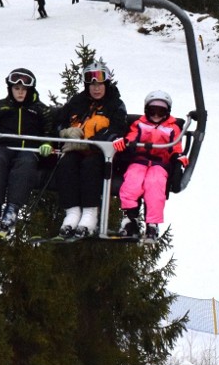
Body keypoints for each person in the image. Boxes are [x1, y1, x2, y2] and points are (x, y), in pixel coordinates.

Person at [56, 62, 128, 238]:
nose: (96, 89)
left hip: (101, 154)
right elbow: (58, 122)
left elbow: (118, 131)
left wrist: (92, 143)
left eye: (100, 84)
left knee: (90, 165)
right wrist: (65, 132)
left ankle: (90, 214)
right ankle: (72, 214)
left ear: (106, 84)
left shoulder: (115, 104)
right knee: (66, 163)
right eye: (92, 85)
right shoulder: (77, 102)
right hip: (74, 150)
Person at [0, 68, 54, 231]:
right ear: (10, 89)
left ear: (30, 90)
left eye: (24, 90)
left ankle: (12, 208)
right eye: (17, 89)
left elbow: (49, 130)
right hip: (5, 147)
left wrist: (47, 144)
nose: (20, 93)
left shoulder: (40, 110)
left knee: (25, 163)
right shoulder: (2, 107)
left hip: (28, 149)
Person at [113, 90, 183, 241]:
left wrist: (178, 159)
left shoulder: (172, 128)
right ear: (146, 110)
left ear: (167, 112)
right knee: (132, 182)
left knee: (155, 185)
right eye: (153, 111)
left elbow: (176, 147)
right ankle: (130, 219)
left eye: (161, 112)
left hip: (160, 163)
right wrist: (127, 142)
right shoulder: (140, 124)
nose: (156, 115)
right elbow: (132, 136)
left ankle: (152, 223)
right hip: (139, 160)